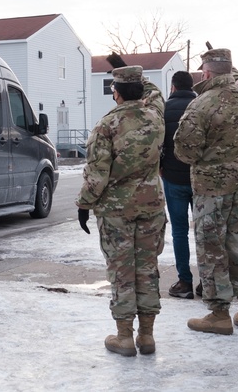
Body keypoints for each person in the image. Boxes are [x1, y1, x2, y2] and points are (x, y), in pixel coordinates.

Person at [76, 65, 167, 357]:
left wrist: (84, 203)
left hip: (117, 210)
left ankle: (124, 337)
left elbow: (97, 174)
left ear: (115, 93)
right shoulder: (156, 119)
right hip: (152, 206)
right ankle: (148, 336)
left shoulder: (107, 125)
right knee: (147, 269)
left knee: (122, 271)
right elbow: (155, 94)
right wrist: (139, 79)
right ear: (141, 90)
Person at [173, 48, 238, 336]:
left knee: (212, 249)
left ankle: (219, 313)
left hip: (212, 189)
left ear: (206, 73)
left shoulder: (201, 105)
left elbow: (184, 151)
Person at [159, 70, 199, 299]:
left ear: (173, 87)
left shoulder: (163, 109)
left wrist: (162, 166)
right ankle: (207, 282)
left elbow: (158, 142)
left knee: (180, 232)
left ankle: (185, 281)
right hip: (199, 179)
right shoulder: (201, 106)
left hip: (173, 178)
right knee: (204, 232)